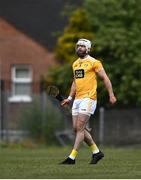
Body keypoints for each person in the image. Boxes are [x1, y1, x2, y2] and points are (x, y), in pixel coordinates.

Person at [60, 38, 117, 165]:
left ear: (88, 49)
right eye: (78, 46)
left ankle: (72, 157)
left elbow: (105, 78)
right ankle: (96, 152)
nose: (79, 48)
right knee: (76, 128)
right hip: (78, 99)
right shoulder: (75, 64)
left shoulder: (94, 62)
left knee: (80, 128)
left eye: (82, 46)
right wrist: (69, 98)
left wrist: (111, 94)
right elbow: (75, 82)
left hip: (89, 98)